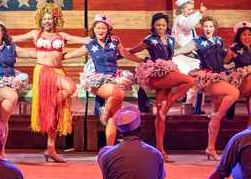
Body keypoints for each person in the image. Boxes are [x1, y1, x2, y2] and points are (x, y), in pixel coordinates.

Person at [9, 2, 90, 163]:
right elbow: (11, 39)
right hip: (43, 71)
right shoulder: (35, 34)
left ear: (55, 20)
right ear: (40, 20)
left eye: (50, 19)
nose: (47, 21)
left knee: (54, 113)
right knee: (71, 86)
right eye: (44, 18)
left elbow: (85, 40)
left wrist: (99, 36)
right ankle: (49, 104)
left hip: (58, 71)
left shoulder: (62, 36)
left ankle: (51, 148)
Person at [126, 13, 195, 161]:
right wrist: (132, 57)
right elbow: (131, 51)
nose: (161, 28)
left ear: (167, 26)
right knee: (189, 81)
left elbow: (183, 49)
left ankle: (160, 150)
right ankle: (169, 104)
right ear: (153, 26)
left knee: (161, 116)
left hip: (168, 72)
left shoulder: (171, 39)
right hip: (156, 74)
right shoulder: (150, 40)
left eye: (163, 25)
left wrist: (197, 50)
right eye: (158, 25)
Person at [63, 14, 139, 147]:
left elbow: (127, 54)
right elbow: (70, 55)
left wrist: (143, 61)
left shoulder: (115, 42)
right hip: (97, 80)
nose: (100, 30)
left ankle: (109, 148)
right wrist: (52, 55)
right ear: (94, 29)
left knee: (113, 116)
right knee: (118, 93)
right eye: (98, 28)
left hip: (114, 79)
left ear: (108, 29)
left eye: (103, 28)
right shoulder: (90, 44)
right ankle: (103, 114)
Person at [188, 16, 241, 159]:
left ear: (214, 28)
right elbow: (182, 49)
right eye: (205, 26)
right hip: (208, 77)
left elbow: (223, 59)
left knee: (216, 114)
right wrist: (175, 51)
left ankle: (210, 148)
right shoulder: (197, 41)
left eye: (210, 26)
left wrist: (232, 55)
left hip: (219, 74)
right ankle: (218, 115)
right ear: (202, 27)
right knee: (234, 92)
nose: (208, 29)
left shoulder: (219, 40)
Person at [0, 20, 30, 157]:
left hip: (9, 81)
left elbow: (31, 54)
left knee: (4, 119)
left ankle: (0, 151)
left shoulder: (11, 47)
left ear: (3, 33)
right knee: (12, 97)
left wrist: (50, 53)